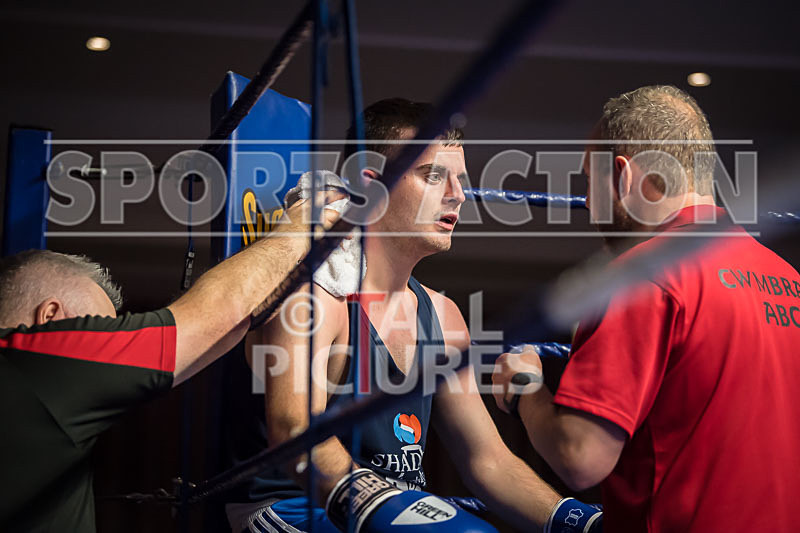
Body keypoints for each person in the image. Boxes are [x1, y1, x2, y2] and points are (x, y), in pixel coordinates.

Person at [224, 98, 577, 533]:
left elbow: (488, 461)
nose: (458, 195)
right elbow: (295, 433)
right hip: (289, 512)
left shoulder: (443, 316)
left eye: (460, 181)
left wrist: (579, 521)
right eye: (433, 176)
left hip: (388, 514)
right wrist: (386, 505)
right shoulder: (315, 297)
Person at [493, 85, 800, 532]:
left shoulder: (638, 276)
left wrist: (526, 387)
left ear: (622, 175)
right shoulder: (788, 279)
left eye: (587, 179)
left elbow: (580, 457)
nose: (586, 202)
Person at [0, 197, 340, 532]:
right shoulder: (33, 363)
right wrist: (298, 231)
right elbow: (219, 315)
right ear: (50, 317)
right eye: (101, 330)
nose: (109, 344)